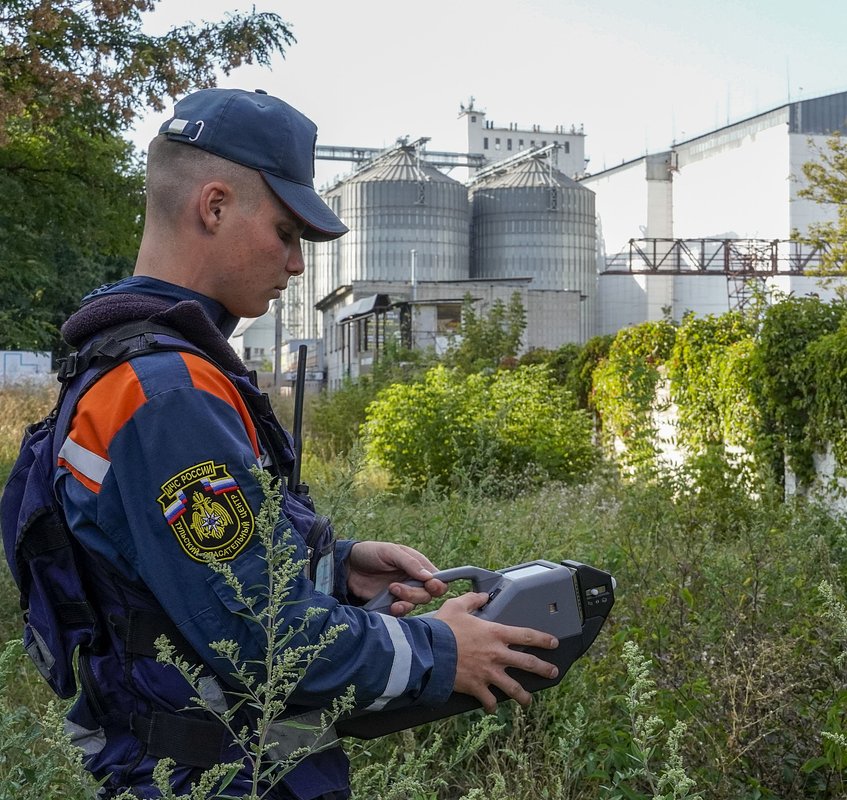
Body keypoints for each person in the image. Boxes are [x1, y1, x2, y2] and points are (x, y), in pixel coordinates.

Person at [53, 87, 559, 799]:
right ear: (215, 205)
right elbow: (259, 635)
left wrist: (339, 566)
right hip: (215, 779)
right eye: (287, 232)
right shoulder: (166, 395)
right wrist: (439, 651)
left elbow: (175, 572)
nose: (295, 265)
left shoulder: (138, 366)